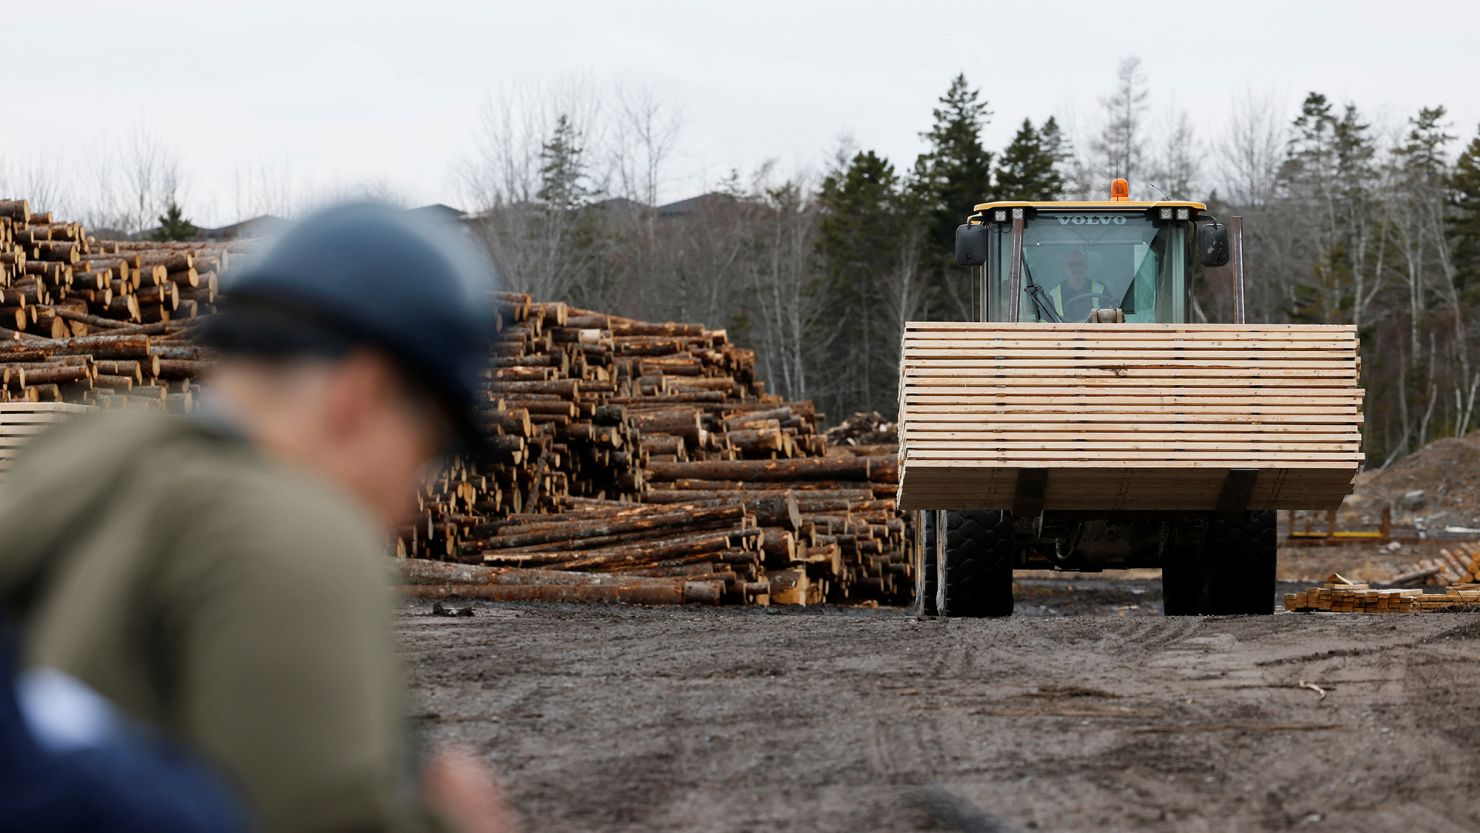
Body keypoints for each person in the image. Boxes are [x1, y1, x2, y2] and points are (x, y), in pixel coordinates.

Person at [0, 203, 515, 833]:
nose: (415, 502)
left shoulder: (76, 477)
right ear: (364, 393)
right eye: (427, 449)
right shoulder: (289, 539)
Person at [1050, 249, 1110, 322]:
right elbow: (1044, 322)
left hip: (1094, 332)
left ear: (1086, 267)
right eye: (1071, 265)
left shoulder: (1101, 290)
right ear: (1065, 268)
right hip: (1064, 333)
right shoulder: (1054, 294)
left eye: (1080, 264)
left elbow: (1110, 319)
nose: (1076, 268)